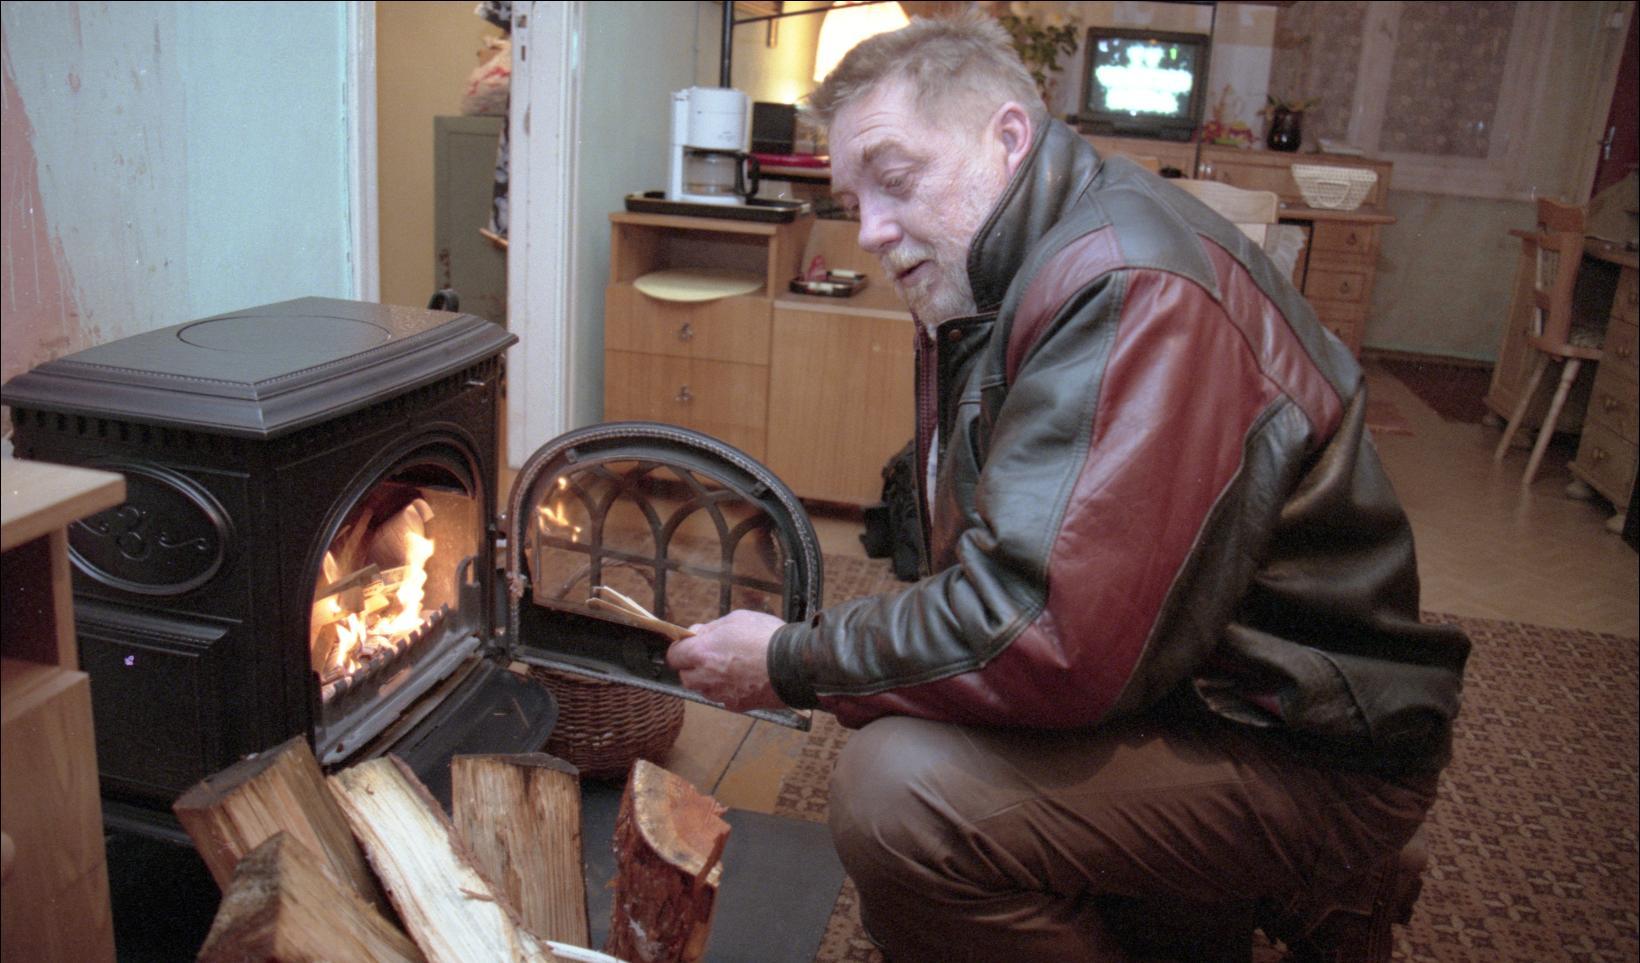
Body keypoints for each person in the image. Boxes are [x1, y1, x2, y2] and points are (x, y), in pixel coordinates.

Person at [666, 13, 1469, 961]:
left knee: (898, 794)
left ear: (1008, 138)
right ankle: (1216, 902)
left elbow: (1044, 633)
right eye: (852, 199)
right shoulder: (1017, 264)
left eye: (896, 178)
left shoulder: (1126, 283)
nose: (871, 229)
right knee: (921, 725)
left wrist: (792, 658)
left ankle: (1316, 870)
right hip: (1192, 676)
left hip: (1301, 735)